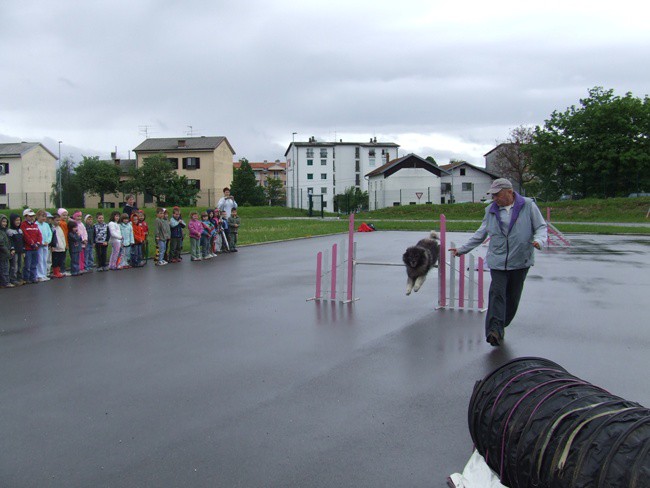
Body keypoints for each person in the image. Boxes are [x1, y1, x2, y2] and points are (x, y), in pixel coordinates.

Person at [449, 178, 547, 347]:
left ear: (509, 192)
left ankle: (501, 324)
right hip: (498, 260)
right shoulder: (491, 210)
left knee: (512, 298)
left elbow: (541, 227)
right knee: (497, 293)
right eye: (493, 195)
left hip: (520, 260)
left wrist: (540, 241)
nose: (495, 198)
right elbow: (481, 233)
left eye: (497, 195)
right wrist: (462, 249)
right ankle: (494, 331)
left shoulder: (528, 206)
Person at [20, 209, 42, 284]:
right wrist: (32, 243)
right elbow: (26, 236)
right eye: (30, 216)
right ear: (25, 216)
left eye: (33, 216)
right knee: (27, 264)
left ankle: (33, 277)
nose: (32, 217)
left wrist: (38, 243)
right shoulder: (23, 225)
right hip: (28, 248)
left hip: (35, 247)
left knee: (34, 263)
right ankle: (27, 278)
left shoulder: (35, 225)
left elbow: (39, 234)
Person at [35, 210, 52, 282]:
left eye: (45, 216)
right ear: (38, 216)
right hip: (39, 245)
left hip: (45, 244)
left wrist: (47, 241)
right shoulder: (36, 224)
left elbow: (50, 234)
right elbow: (36, 235)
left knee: (45, 259)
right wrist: (40, 242)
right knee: (39, 260)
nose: (44, 218)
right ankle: (39, 275)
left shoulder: (46, 225)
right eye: (42, 216)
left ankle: (44, 274)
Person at [7, 213, 24, 285]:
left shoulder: (20, 230)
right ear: (12, 221)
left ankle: (19, 277)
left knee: (20, 264)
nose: (18, 222)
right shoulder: (10, 231)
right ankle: (13, 279)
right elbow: (10, 241)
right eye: (16, 220)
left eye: (19, 220)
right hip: (14, 251)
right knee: (14, 265)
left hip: (20, 250)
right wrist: (12, 248)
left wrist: (23, 249)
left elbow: (22, 240)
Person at [51, 214, 67, 278]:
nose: (58, 222)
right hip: (56, 248)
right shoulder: (52, 228)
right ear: (53, 220)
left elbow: (62, 237)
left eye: (59, 220)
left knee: (60, 260)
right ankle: (55, 272)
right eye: (56, 220)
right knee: (55, 260)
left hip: (61, 247)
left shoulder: (59, 228)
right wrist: (53, 245)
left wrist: (64, 245)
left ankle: (59, 271)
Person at [0, 213, 14, 288]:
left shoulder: (5, 231)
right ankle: (5, 282)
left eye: (5, 222)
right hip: (3, 254)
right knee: (4, 268)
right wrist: (7, 251)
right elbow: (1, 244)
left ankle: (6, 281)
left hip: (6, 253)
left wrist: (11, 249)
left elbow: (8, 242)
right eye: (3, 221)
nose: (4, 223)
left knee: (6, 267)